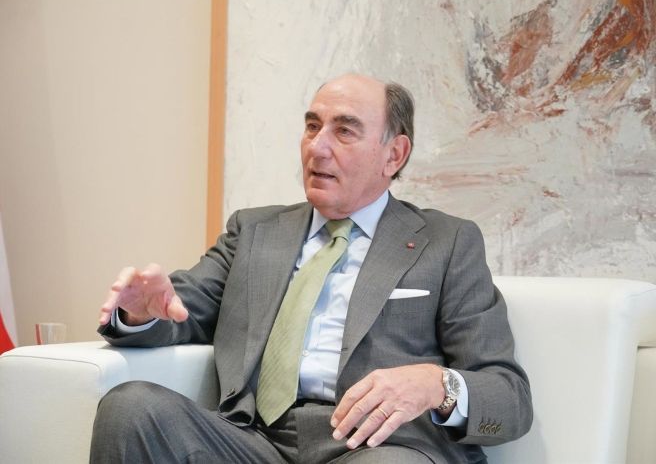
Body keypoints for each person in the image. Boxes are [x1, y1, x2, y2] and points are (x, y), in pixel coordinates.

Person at [91, 73, 532, 463]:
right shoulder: (254, 231)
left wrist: (435, 384)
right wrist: (139, 313)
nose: (317, 147)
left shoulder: (448, 242)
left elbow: (509, 399)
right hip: (253, 440)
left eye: (344, 131)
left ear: (393, 155)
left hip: (378, 447)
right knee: (131, 407)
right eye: (312, 126)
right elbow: (182, 309)